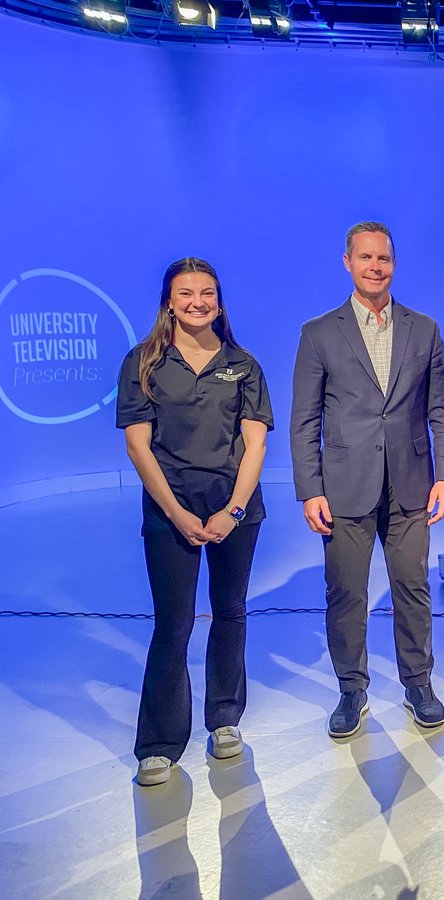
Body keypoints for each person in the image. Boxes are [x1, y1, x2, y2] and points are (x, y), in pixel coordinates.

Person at [291, 221, 444, 737]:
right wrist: (310, 488)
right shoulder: (319, 332)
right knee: (346, 593)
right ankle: (351, 689)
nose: (375, 267)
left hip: (412, 483)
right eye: (365, 258)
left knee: (413, 588)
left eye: (383, 258)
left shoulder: (424, 329)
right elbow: (305, 419)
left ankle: (418, 684)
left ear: (394, 263)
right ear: (348, 262)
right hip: (345, 487)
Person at [118, 257, 273, 786]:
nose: (197, 302)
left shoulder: (243, 364)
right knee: (173, 623)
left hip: (235, 511)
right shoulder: (143, 362)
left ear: (220, 301)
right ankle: (159, 743)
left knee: (230, 613)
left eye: (207, 292)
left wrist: (232, 512)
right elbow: (138, 445)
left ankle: (225, 719)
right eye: (186, 293)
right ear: (169, 302)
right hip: (170, 510)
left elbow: (255, 444)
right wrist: (177, 513)